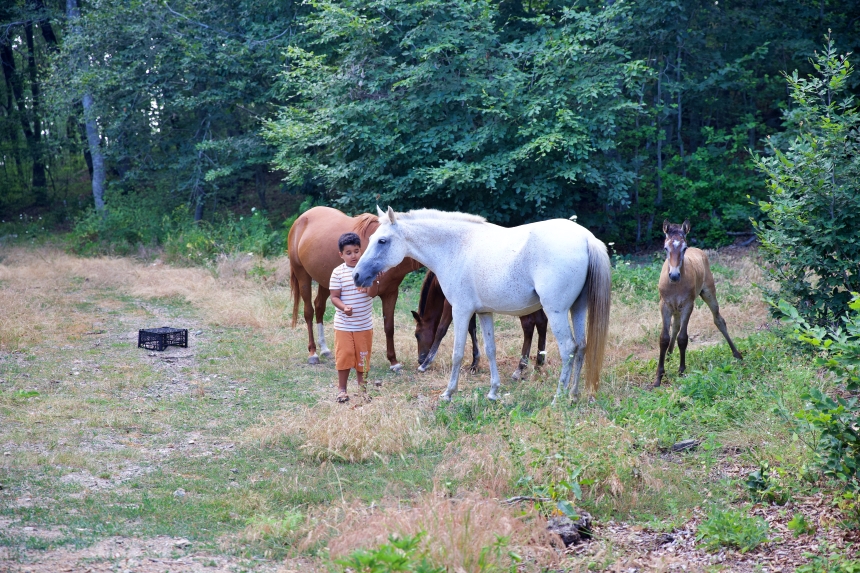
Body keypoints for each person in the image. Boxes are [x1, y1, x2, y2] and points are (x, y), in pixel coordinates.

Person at [329, 232, 383, 403]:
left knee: (363, 358)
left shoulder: (367, 270)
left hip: (364, 325)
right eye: (348, 252)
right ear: (341, 255)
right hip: (344, 325)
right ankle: (342, 390)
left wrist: (374, 282)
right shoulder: (338, 272)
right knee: (344, 355)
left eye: (356, 251)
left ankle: (362, 391)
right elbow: (334, 296)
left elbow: (372, 294)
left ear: (362, 251)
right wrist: (344, 307)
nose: (353, 255)